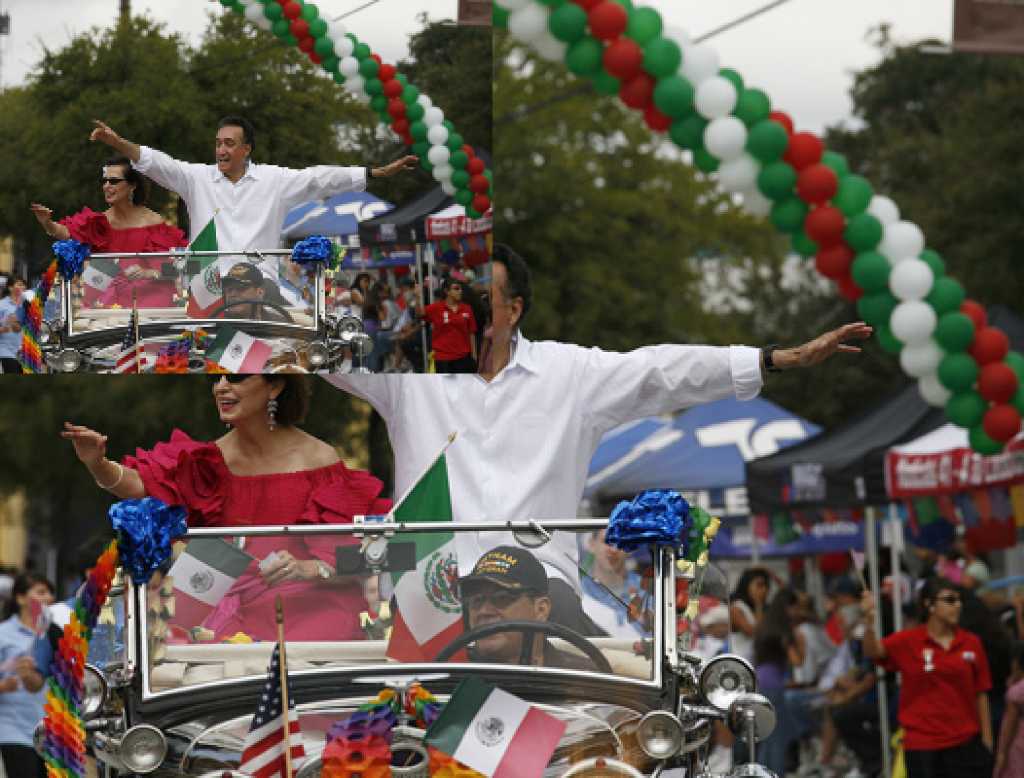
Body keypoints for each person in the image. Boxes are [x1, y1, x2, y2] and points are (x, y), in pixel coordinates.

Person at [327, 244, 872, 635]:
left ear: (513, 310)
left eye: (480, 297)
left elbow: (663, 370)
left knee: (570, 741)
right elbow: (313, 348)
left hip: (540, 599)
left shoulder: (571, 373)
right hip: (429, 598)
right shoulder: (410, 377)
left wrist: (773, 359)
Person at [62, 375, 391, 642]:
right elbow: (141, 484)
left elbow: (367, 558)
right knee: (164, 656)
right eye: (217, 377)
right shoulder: (209, 461)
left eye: (235, 377)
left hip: (313, 615)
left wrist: (309, 568)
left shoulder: (320, 460)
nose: (221, 386)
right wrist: (98, 464)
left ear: (275, 386)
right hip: (223, 614)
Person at [89, 117, 417, 253]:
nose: (221, 150)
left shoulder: (275, 180)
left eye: (230, 144)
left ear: (246, 149)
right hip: (206, 295)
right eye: (218, 143)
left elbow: (321, 178)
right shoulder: (197, 178)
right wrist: (118, 143)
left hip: (261, 297)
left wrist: (376, 173)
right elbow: (157, 163)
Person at [862, 577, 994, 778]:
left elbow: (981, 693)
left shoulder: (971, 642)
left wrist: (987, 740)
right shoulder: (908, 640)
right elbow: (874, 652)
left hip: (965, 744)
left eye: (959, 600)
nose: (957, 606)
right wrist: (868, 621)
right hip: (922, 747)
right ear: (929, 605)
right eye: (949, 600)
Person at [30, 156, 187, 309]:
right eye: (104, 181)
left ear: (132, 185)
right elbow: (64, 232)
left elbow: (181, 267)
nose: (106, 186)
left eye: (113, 181)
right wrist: (47, 223)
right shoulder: (100, 222)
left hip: (152, 306)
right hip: (109, 309)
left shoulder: (154, 222)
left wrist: (149, 272)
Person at [457, 546, 593, 670]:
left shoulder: (585, 680)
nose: (484, 611)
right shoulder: (449, 677)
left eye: (502, 598)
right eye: (476, 600)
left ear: (541, 609)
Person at [0, 574, 54, 778]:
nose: (48, 598)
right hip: (14, 730)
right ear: (20, 598)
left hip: (52, 731)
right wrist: (4, 686)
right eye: (40, 592)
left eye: (50, 593)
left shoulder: (55, 633)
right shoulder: (3, 634)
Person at [422, 278, 477, 373]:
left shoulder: (467, 308)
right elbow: (419, 314)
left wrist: (474, 355)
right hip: (443, 359)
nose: (460, 291)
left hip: (463, 358)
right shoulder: (436, 308)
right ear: (447, 291)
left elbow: (471, 332)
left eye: (460, 289)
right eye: (456, 289)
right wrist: (417, 296)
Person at [220, 261, 290, 322]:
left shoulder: (279, 325)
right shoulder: (216, 324)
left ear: (260, 292)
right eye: (229, 289)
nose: (232, 294)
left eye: (240, 288)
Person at [729, 567, 771, 663]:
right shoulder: (737, 607)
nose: (764, 590)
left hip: (757, 663)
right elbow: (754, 632)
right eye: (759, 585)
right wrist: (759, 604)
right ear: (747, 585)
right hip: (741, 663)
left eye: (766, 586)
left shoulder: (763, 609)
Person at [996, 641, 1024, 778]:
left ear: (1016, 663)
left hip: (1018, 744)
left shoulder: (1017, 691)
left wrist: (1002, 754)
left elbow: (1010, 725)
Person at [0, 278, 26, 374]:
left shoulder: (27, 305)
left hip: (25, 351)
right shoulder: (2, 305)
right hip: (7, 351)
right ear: (10, 288)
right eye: (19, 284)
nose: (22, 287)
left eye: (23, 285)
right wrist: (5, 326)